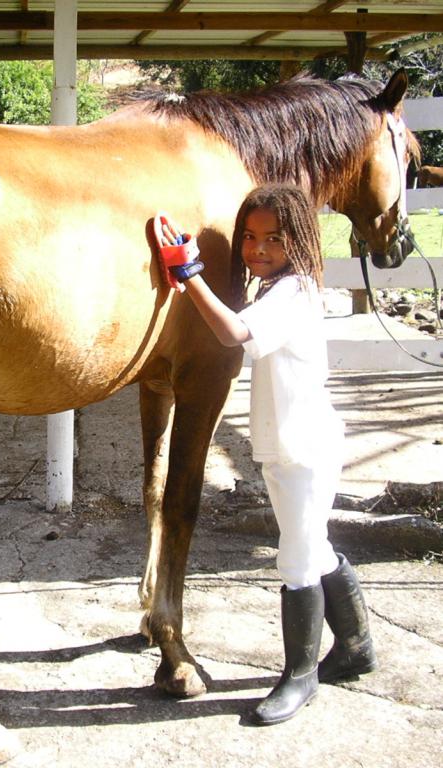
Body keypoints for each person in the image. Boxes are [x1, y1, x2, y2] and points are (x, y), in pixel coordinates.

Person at [156, 183, 377, 726]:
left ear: (299, 240)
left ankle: (299, 677)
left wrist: (188, 275)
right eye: (250, 237)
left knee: (297, 560)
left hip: (303, 449)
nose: (257, 249)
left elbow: (233, 333)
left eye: (273, 239)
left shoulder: (293, 294)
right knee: (315, 546)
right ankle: (356, 646)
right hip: (289, 447)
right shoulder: (278, 289)